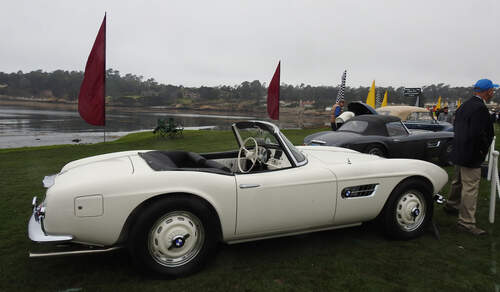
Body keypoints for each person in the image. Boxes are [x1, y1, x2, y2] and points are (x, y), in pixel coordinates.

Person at [443, 79, 497, 235]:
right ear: (488, 91)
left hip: (459, 150)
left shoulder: (464, 105)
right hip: (471, 153)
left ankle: (451, 205)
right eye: (492, 90)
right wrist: (481, 151)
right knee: (470, 188)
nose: (492, 93)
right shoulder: (480, 108)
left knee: (458, 181)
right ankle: (466, 223)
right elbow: (478, 134)